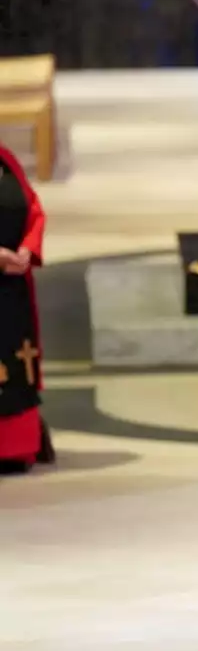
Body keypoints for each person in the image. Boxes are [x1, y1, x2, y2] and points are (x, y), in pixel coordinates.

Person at [0, 143, 54, 473]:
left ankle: (19, 446)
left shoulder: (5, 157)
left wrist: (26, 248)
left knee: (16, 365)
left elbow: (33, 208)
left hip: (12, 288)